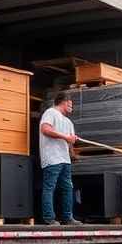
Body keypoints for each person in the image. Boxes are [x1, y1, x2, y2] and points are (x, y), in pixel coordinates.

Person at [39, 92, 82, 225]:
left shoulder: (68, 121)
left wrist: (72, 153)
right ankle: (49, 218)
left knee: (68, 188)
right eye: (70, 105)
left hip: (64, 160)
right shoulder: (50, 113)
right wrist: (66, 137)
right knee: (49, 187)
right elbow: (45, 129)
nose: (71, 108)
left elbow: (69, 141)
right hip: (52, 158)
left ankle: (67, 217)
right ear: (64, 101)